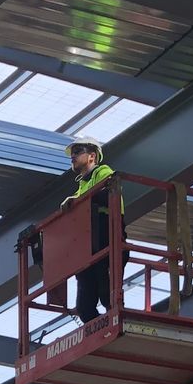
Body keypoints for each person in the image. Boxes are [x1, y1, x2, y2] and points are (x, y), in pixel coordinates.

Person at [64, 138, 122, 323]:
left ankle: (113, 319)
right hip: (89, 241)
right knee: (85, 306)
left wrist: (76, 201)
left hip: (106, 234)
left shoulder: (103, 172)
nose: (72, 157)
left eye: (77, 151)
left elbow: (107, 195)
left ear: (92, 156)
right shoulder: (82, 185)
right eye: (72, 153)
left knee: (107, 292)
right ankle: (97, 327)